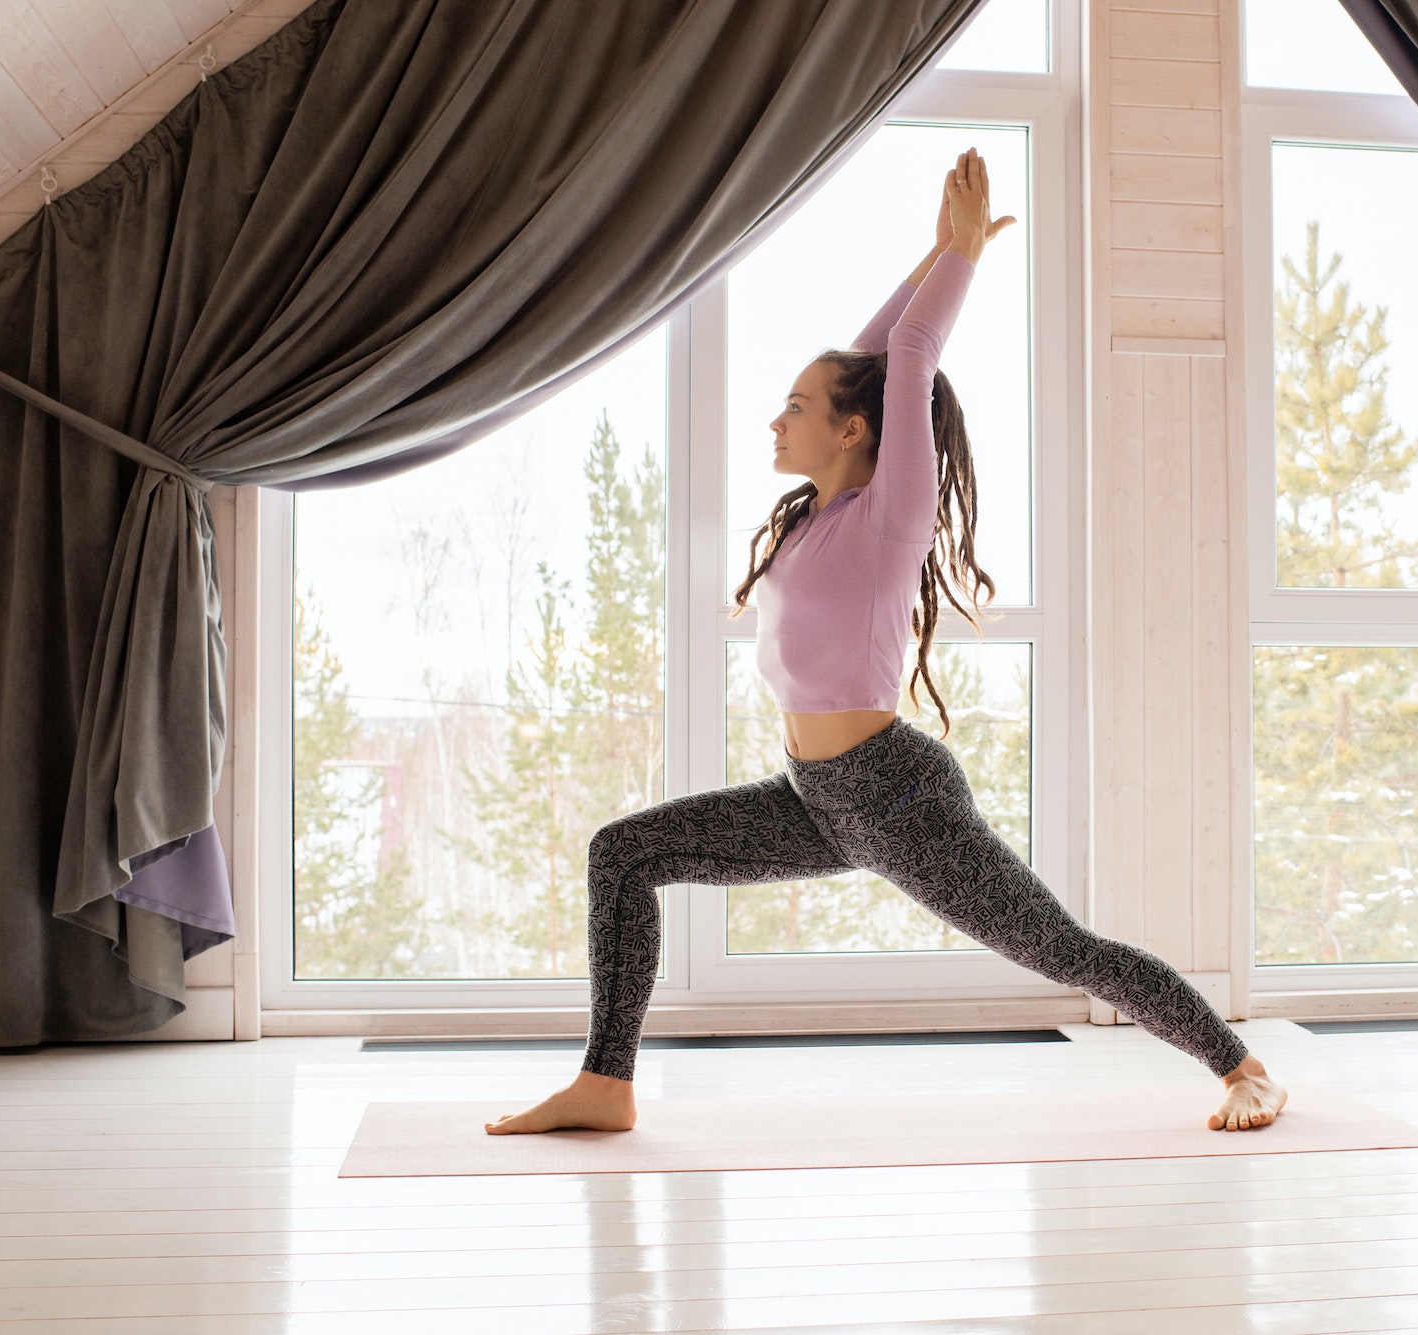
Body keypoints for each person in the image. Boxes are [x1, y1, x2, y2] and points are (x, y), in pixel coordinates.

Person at [486, 149, 1287, 1137]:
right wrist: (934, 254)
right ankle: (606, 1085)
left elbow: (905, 359)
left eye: (794, 407)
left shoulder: (886, 521)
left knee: (1058, 949)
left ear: (855, 431)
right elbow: (874, 354)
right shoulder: (823, 515)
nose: (774, 420)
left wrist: (957, 268)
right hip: (811, 799)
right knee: (623, 854)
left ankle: (1242, 1066)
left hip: (895, 796)